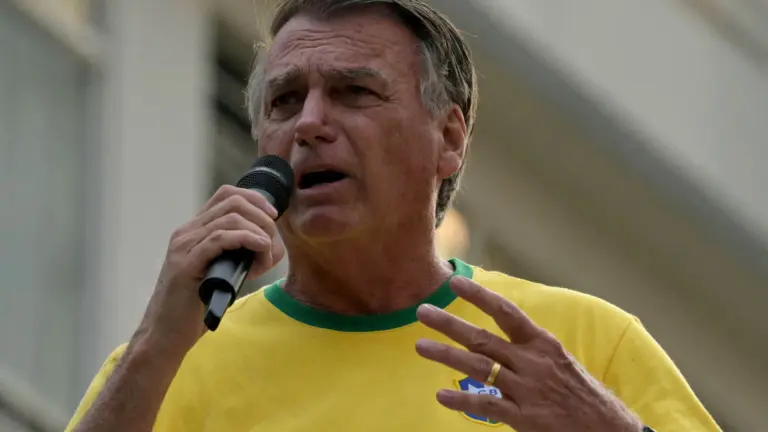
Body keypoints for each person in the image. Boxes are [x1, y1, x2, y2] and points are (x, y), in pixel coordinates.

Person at [66, 1, 722, 431]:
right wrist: (153, 344)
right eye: (285, 101)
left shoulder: (582, 344)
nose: (310, 123)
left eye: (353, 92)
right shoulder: (167, 368)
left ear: (449, 137)